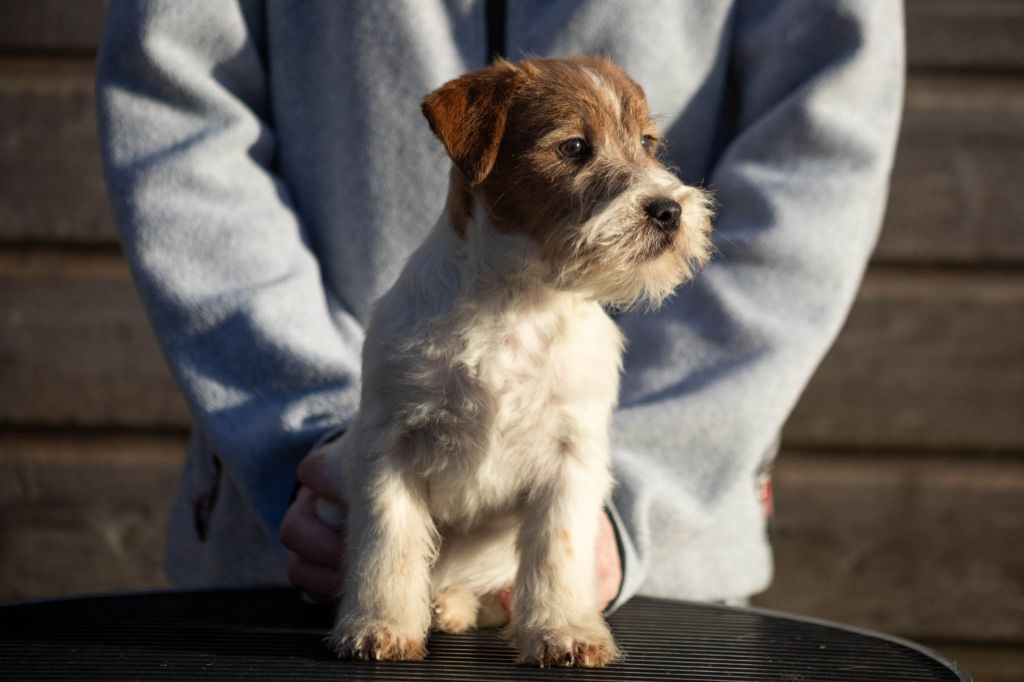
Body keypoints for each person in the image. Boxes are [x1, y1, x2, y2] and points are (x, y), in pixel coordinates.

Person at [96, 1, 904, 612]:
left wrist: (632, 496)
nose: (652, 180)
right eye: (579, 151)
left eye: (648, 147)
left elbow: (823, 153)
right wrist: (315, 444)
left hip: (665, 575)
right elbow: (174, 98)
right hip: (289, 539)